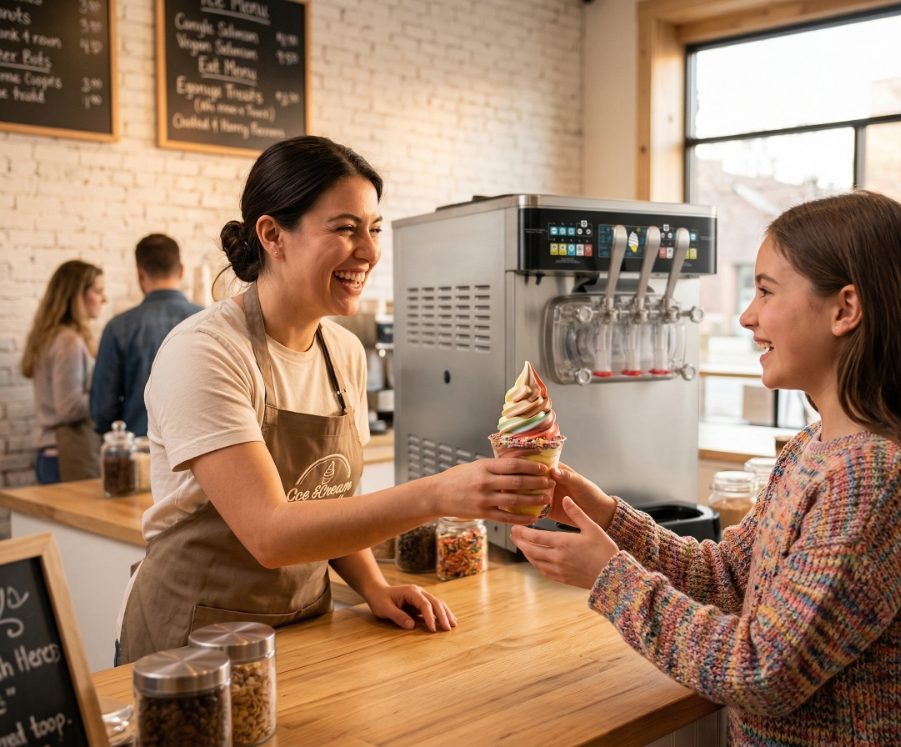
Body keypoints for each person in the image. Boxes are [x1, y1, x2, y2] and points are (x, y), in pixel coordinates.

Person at [510, 191, 901, 745]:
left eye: (764, 290)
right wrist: (607, 516)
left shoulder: (870, 481)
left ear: (844, 310)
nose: (746, 315)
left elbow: (762, 672)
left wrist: (611, 577)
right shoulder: (812, 451)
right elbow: (733, 578)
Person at [116, 136, 552, 664]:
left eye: (373, 230)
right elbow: (271, 534)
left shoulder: (343, 351)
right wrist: (436, 495)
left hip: (302, 634)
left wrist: (373, 585)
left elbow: (326, 505)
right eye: (345, 229)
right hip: (192, 645)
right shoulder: (205, 352)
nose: (368, 252)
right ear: (273, 235)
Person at [90, 234, 202, 436]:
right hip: (202, 450)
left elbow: (102, 410)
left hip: (141, 448)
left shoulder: (118, 328)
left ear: (139, 273)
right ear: (181, 270)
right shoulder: (208, 319)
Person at [22, 260, 107, 483]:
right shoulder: (69, 342)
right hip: (65, 454)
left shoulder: (53, 337)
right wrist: (107, 396)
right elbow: (69, 407)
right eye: (98, 291)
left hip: (54, 453)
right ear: (77, 294)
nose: (104, 299)